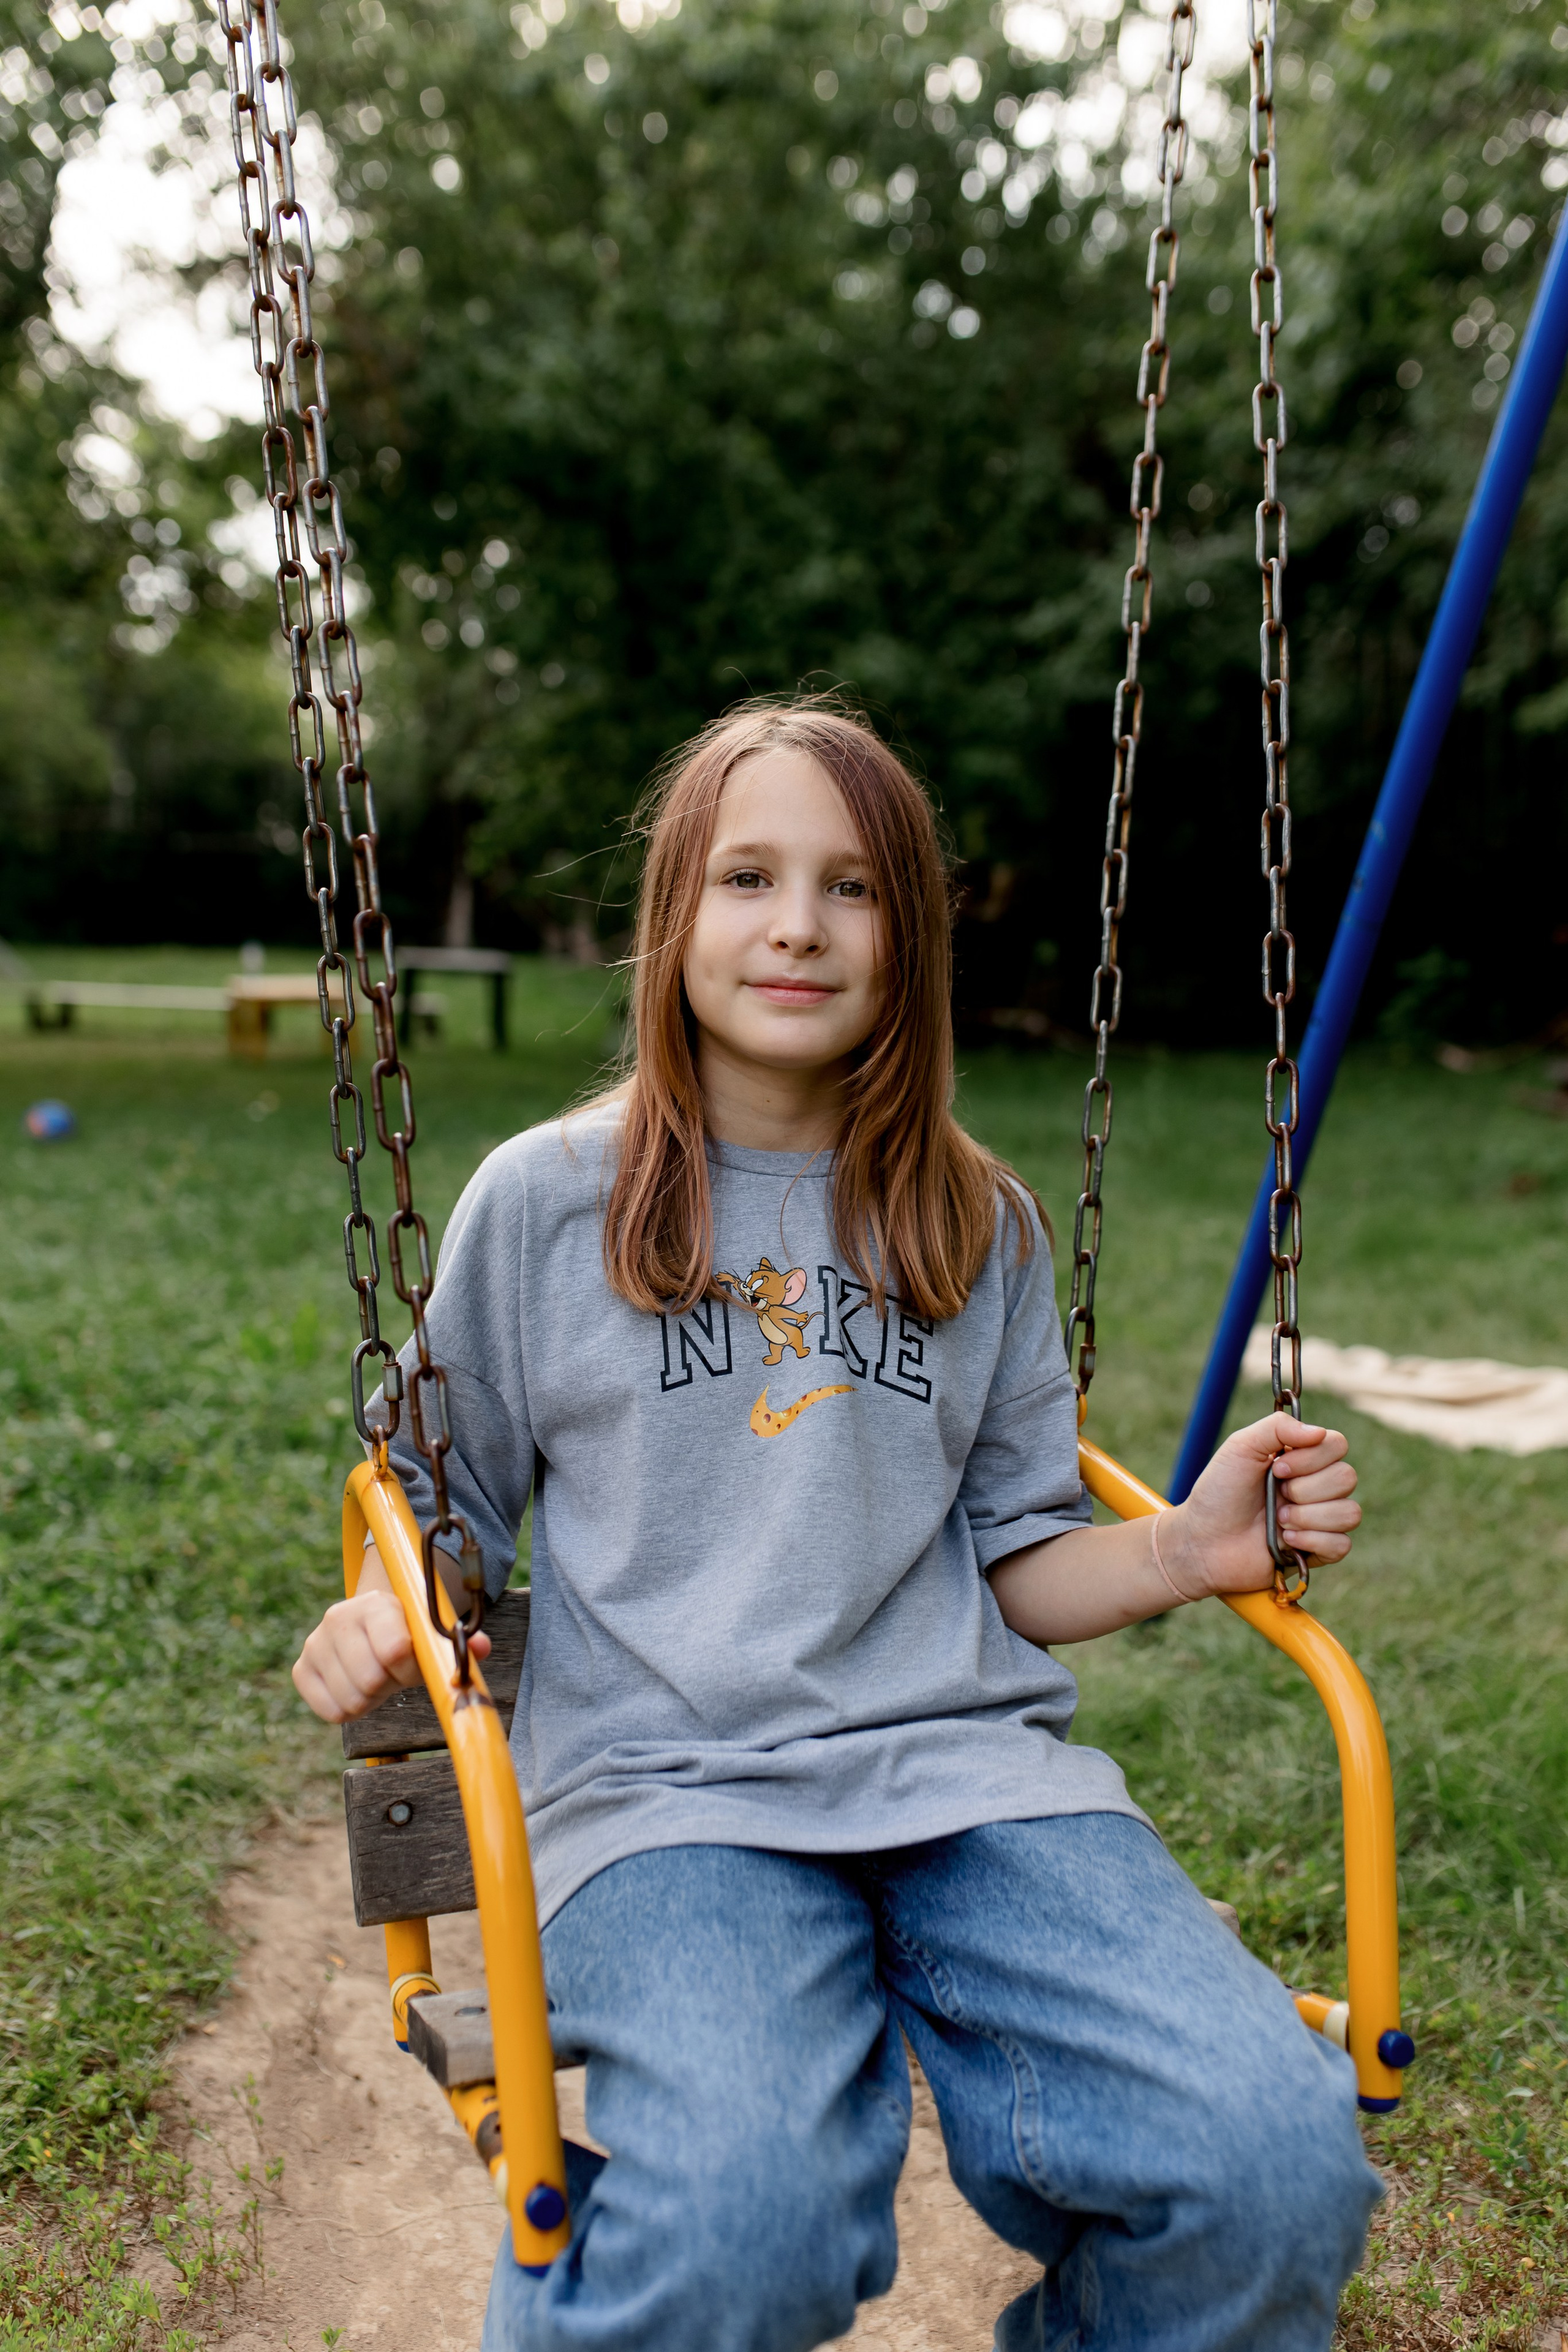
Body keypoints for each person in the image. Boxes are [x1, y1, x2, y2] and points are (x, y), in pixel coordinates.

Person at [293, 697, 1380, 2352]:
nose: (798, 923)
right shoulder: (548, 1204)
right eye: (747, 877)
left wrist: (1186, 1548)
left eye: (853, 887)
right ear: (672, 921)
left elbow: (1020, 1554)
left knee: (1275, 2156)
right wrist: (392, 1605)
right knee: (747, 2225)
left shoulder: (975, 1220)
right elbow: (429, 1507)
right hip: (669, 1799)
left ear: (911, 935)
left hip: (973, 1783)